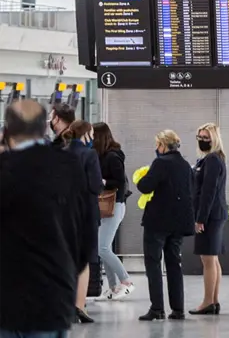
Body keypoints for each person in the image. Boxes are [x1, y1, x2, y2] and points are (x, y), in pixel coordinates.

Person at [0, 101, 97, 338]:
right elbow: (84, 232)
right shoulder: (68, 166)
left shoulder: (4, 168)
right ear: (44, 129)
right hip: (53, 294)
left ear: (7, 130)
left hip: (7, 296)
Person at [136, 130, 196, 321]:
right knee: (174, 264)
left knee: (153, 264)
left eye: (158, 145)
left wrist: (142, 177)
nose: (156, 148)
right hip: (178, 222)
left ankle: (157, 308)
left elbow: (145, 186)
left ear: (163, 145)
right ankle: (178, 309)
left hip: (158, 222)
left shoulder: (160, 163)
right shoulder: (185, 165)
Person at [51, 117, 100, 324]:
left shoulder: (58, 153)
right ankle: (79, 306)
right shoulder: (89, 154)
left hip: (60, 212)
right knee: (83, 261)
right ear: (87, 134)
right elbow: (96, 186)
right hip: (84, 213)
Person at [92, 122, 135, 301]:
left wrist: (102, 182)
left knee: (102, 247)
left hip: (115, 205)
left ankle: (126, 281)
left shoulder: (112, 156)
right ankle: (112, 286)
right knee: (103, 247)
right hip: (106, 206)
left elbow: (119, 182)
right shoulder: (102, 155)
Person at [191, 123, 228, 316]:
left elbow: (208, 192)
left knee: (207, 259)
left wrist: (200, 218)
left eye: (206, 138)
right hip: (215, 214)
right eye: (200, 137)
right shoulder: (211, 159)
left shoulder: (212, 160)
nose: (203, 141)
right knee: (212, 259)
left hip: (210, 215)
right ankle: (213, 301)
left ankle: (207, 302)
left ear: (214, 139)